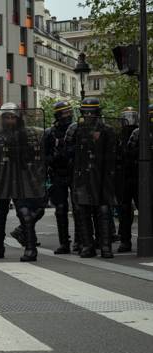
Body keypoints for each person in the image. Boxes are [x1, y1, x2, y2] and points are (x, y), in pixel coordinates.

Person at [0, 103, 46, 262]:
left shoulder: (28, 134)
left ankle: (30, 247)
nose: (10, 120)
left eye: (13, 117)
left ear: (18, 118)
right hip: (3, 177)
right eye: (6, 117)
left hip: (22, 177)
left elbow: (36, 157)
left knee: (25, 213)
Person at [65, 98, 117, 258]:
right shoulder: (75, 129)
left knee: (103, 210)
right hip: (81, 176)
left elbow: (114, 153)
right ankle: (87, 245)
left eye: (91, 112)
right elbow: (66, 152)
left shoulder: (107, 129)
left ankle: (105, 245)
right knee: (82, 211)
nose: (88, 115)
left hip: (102, 176)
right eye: (85, 112)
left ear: (97, 113)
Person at [43, 100, 76, 254]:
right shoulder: (50, 133)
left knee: (79, 208)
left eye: (69, 112)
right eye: (64, 113)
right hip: (57, 174)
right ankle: (64, 243)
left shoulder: (77, 129)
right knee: (61, 209)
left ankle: (81, 241)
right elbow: (43, 155)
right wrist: (53, 158)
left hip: (75, 173)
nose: (68, 115)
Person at [116, 106, 149, 252]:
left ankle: (145, 237)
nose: (129, 120)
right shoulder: (118, 135)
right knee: (124, 209)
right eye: (126, 117)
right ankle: (125, 240)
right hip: (124, 176)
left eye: (131, 116)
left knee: (144, 207)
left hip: (138, 176)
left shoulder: (141, 133)